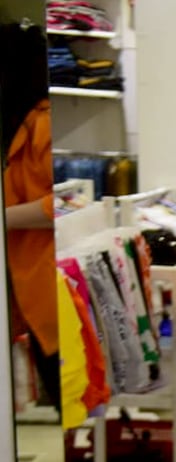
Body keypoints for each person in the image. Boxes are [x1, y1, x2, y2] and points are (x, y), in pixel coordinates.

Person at [2, 22, 58, 411]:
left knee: (54, 372)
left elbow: (60, 204)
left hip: (43, 278)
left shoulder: (43, 123)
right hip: (26, 274)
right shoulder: (22, 121)